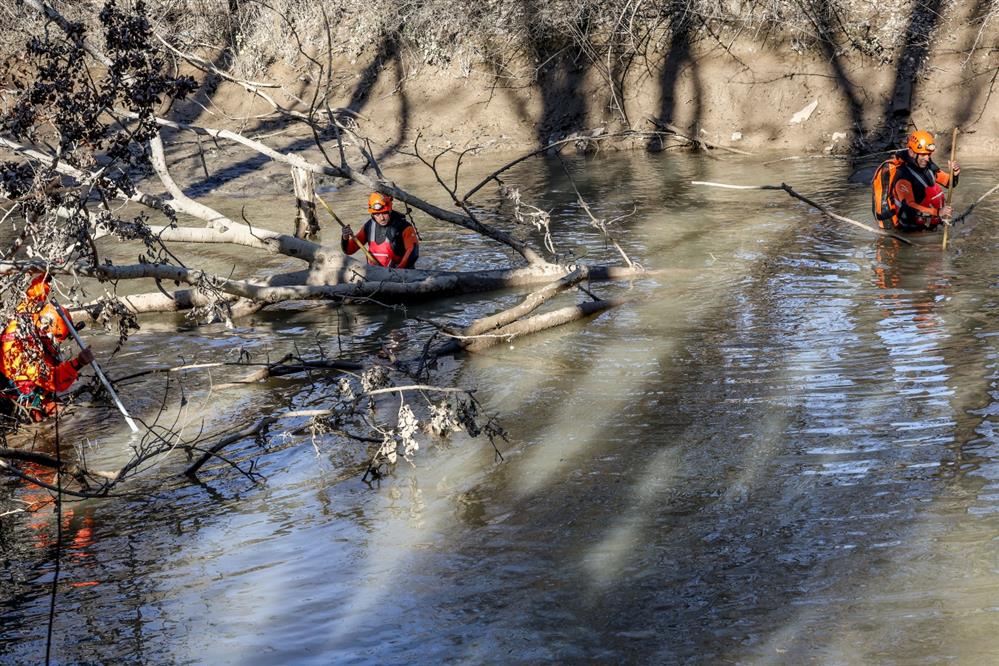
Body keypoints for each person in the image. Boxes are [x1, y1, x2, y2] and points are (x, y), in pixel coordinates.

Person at [0, 288, 92, 422]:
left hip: (29, 382)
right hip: (14, 392)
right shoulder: (21, 350)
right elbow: (52, 380)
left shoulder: (29, 315)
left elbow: (34, 294)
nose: (56, 343)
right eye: (53, 338)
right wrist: (78, 363)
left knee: (63, 410)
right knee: (41, 419)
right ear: (45, 329)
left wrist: (46, 278)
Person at [872, 130, 960, 231]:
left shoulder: (928, 166)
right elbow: (909, 208)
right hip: (911, 230)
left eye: (929, 154)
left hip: (929, 223)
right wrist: (938, 212)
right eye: (923, 155)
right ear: (911, 152)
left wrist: (955, 174)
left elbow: (949, 183)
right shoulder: (903, 176)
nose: (927, 158)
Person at [341, 192, 420, 269]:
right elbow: (349, 250)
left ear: (390, 210)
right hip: (375, 273)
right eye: (377, 214)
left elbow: (413, 252)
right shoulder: (369, 226)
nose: (382, 218)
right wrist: (345, 238)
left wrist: (398, 272)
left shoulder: (404, 227)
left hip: (399, 274)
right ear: (372, 214)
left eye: (384, 213)